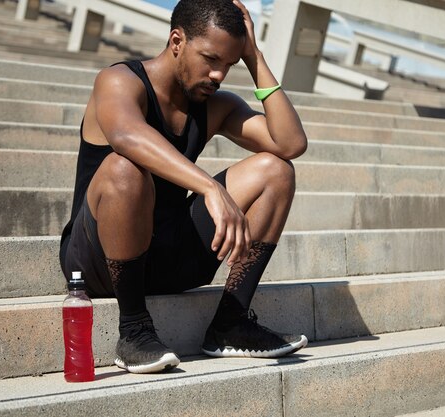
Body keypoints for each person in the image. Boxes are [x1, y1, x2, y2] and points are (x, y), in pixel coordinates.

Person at [59, 0, 308, 374]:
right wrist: (210, 188)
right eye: (210, 59)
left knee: (277, 170)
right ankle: (133, 331)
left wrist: (255, 58)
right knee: (124, 168)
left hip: (171, 255)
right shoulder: (118, 80)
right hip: (100, 261)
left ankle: (231, 323)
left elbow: (290, 143)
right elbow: (126, 135)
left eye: (228, 63)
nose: (219, 74)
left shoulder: (214, 104)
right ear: (177, 41)